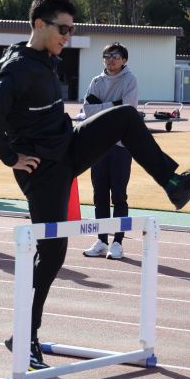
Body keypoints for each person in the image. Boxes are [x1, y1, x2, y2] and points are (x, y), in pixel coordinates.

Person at [0, 0, 190, 370]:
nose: (68, 36)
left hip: (68, 146)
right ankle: (24, 336)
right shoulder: (18, 68)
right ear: (39, 24)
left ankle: (173, 183)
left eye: (72, 30)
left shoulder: (45, 58)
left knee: (126, 117)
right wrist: (12, 158)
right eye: (63, 28)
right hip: (42, 169)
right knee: (52, 253)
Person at [81, 43, 138, 260]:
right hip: (98, 146)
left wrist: (102, 106)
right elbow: (87, 110)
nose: (111, 59)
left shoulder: (130, 80)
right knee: (100, 195)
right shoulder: (96, 81)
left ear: (124, 60)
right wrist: (113, 104)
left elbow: (127, 109)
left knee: (119, 196)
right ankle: (102, 240)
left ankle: (118, 243)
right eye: (107, 55)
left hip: (121, 146)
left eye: (115, 56)